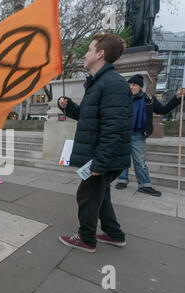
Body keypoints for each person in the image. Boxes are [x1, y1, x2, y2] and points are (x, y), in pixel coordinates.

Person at [58, 33, 132, 253]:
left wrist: (99, 164)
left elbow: (114, 128)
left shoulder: (113, 84)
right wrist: (69, 107)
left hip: (102, 157)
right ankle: (113, 234)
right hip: (100, 155)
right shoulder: (98, 83)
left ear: (100, 54)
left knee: (87, 194)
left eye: (89, 50)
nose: (86, 53)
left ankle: (87, 238)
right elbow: (89, 117)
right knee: (101, 194)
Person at [115, 75, 185, 196]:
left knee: (140, 161)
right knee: (122, 157)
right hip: (123, 133)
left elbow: (163, 110)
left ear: (140, 87)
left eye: (134, 85)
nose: (131, 87)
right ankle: (122, 180)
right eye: (130, 84)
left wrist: (177, 98)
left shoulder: (149, 99)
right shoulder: (122, 98)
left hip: (138, 134)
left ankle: (144, 185)